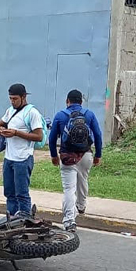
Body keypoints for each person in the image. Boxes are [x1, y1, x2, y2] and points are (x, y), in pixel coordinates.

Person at [48, 89, 103, 232]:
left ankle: (69, 221)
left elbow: (52, 138)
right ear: (81, 102)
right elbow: (97, 135)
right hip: (86, 155)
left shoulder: (60, 115)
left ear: (67, 101)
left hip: (67, 157)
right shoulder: (89, 115)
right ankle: (81, 206)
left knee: (69, 189)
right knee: (83, 179)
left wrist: (54, 155)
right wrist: (98, 155)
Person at [0, 83, 44, 215]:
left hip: (23, 158)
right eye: (10, 98)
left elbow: (39, 136)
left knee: (21, 193)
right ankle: (12, 219)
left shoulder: (32, 113)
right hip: (8, 158)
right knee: (9, 192)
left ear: (24, 97)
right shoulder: (10, 111)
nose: (12, 101)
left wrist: (16, 133)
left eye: (15, 99)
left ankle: (25, 220)